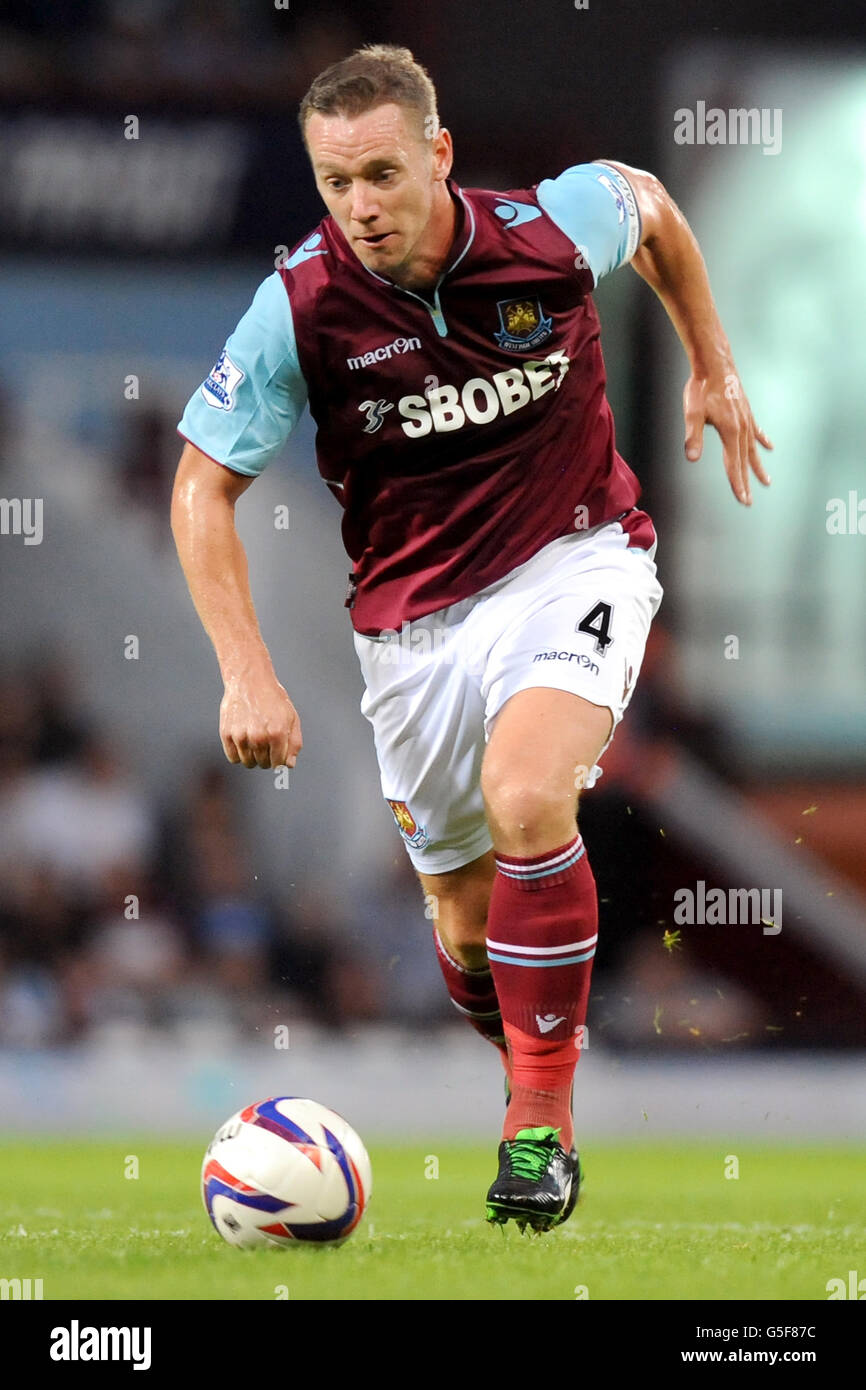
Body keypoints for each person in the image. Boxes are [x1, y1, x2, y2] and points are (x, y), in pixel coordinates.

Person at [171, 43, 772, 1232]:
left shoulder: (550, 229)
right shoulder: (298, 309)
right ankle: (530, 1063)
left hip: (576, 557)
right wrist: (246, 669)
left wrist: (710, 359)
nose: (359, 209)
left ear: (437, 155)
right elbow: (200, 488)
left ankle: (536, 1129)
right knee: (461, 922)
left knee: (527, 794)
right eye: (334, 184)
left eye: (382, 176)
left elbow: (650, 209)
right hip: (411, 628)